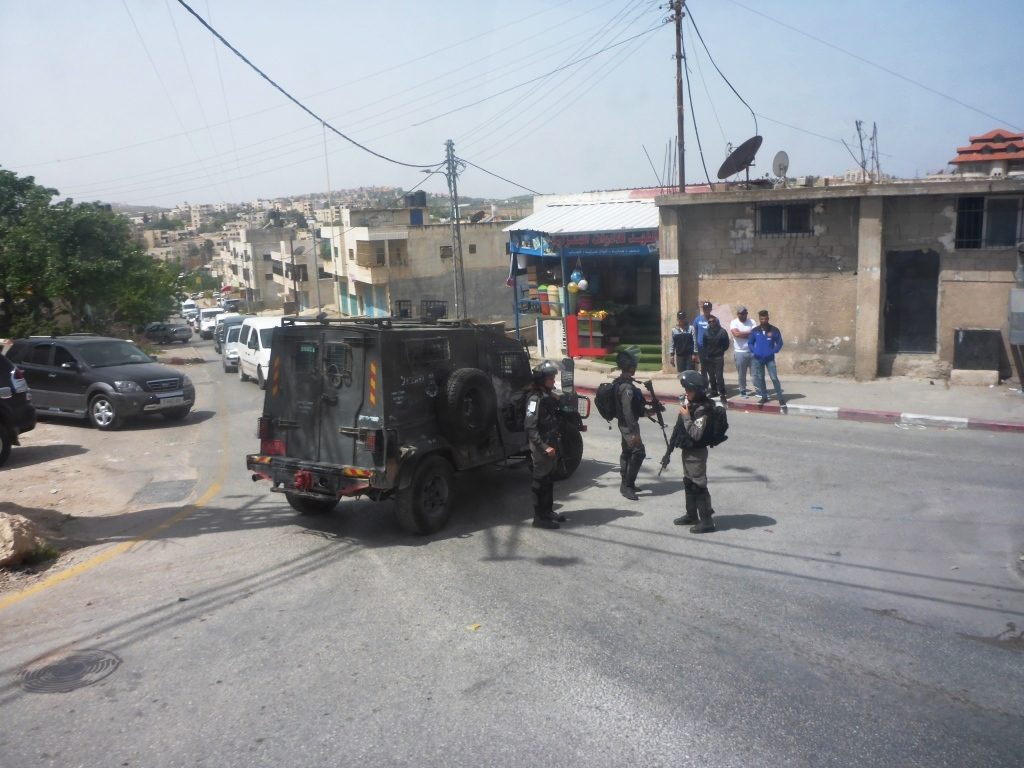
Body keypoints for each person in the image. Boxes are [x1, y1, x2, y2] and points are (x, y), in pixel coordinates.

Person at [671, 370, 717, 533]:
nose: (686, 393)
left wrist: (685, 416)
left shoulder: (702, 410)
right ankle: (691, 515)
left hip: (696, 454)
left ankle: (707, 521)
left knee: (698, 485)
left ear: (698, 391)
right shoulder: (695, 406)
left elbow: (696, 435)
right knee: (689, 483)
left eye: (689, 390)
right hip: (689, 453)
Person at [524, 360, 566, 529]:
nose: (554, 381)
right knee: (540, 482)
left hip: (550, 443)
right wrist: (544, 447)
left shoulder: (546, 397)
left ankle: (548, 512)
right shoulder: (534, 399)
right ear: (542, 380)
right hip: (541, 446)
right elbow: (530, 428)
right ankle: (539, 518)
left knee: (548, 480)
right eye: (551, 379)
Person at [613, 349, 647, 501]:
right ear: (631, 367)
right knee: (638, 452)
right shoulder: (626, 387)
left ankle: (627, 483)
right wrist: (634, 434)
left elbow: (634, 409)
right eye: (635, 365)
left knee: (627, 452)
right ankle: (627, 485)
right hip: (628, 425)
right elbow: (628, 412)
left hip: (625, 423)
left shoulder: (621, 382)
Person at [749, 309, 785, 405]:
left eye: (765, 319)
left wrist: (773, 351)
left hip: (770, 359)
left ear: (768, 318)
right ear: (759, 319)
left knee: (774, 378)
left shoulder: (774, 330)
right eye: (761, 319)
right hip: (758, 359)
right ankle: (764, 397)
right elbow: (750, 343)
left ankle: (780, 397)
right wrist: (754, 351)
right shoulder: (755, 330)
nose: (764, 320)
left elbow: (780, 343)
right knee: (761, 378)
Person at [701, 315, 731, 401]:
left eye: (713, 321)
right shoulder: (706, 332)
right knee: (711, 376)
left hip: (718, 357)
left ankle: (722, 393)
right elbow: (704, 344)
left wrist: (720, 351)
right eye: (709, 322)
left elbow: (726, 344)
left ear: (716, 322)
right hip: (709, 357)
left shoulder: (722, 331)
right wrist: (707, 353)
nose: (711, 323)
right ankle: (714, 391)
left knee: (719, 376)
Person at [729, 306, 755, 397]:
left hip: (752, 351)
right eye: (741, 313)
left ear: (746, 314)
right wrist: (749, 333)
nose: (743, 315)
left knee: (755, 373)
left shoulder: (752, 322)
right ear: (738, 314)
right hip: (739, 352)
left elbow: (755, 334)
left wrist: (741, 333)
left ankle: (759, 391)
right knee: (741, 374)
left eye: (744, 313)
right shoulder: (734, 322)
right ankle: (743, 391)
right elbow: (736, 334)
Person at [668, 311, 698, 376]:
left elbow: (694, 341)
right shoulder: (674, 330)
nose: (681, 320)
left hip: (689, 355)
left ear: (685, 318)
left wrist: (694, 354)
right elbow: (672, 344)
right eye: (680, 318)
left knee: (690, 374)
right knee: (682, 375)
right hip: (680, 356)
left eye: (683, 318)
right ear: (677, 319)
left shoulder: (691, 328)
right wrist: (672, 356)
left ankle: (690, 386)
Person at [693, 300, 714, 388]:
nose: (706, 311)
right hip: (701, 348)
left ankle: (714, 387)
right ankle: (704, 386)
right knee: (703, 369)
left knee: (712, 369)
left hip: (711, 349)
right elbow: (695, 334)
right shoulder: (697, 319)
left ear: (710, 309)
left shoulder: (714, 320)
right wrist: (695, 351)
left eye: (708, 309)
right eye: (704, 309)